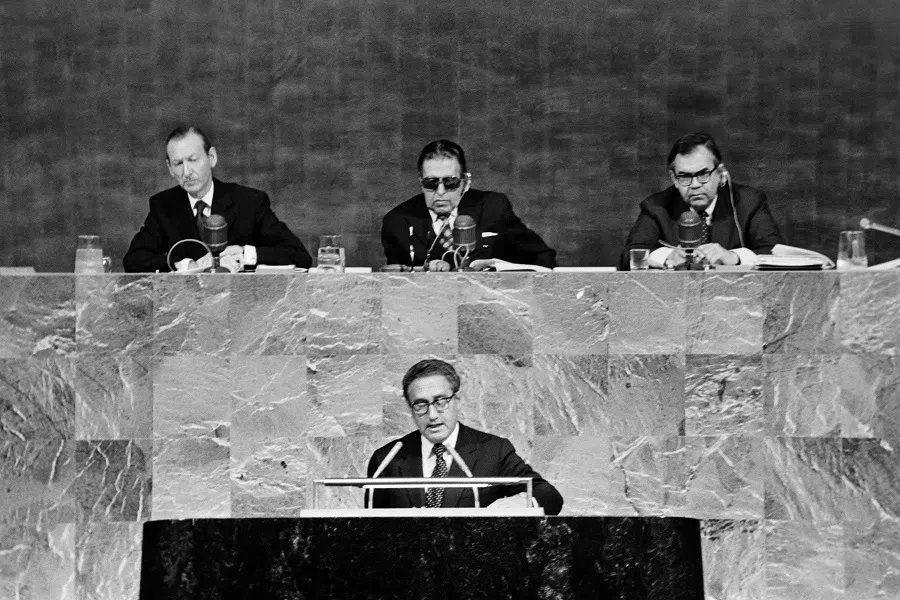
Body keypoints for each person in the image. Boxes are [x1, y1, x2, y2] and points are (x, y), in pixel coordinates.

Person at [366, 359, 564, 515]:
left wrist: (512, 506)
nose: (432, 414)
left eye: (441, 401)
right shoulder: (386, 459)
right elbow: (370, 532)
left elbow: (548, 495)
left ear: (457, 400)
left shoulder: (493, 451)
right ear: (410, 408)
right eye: (420, 405)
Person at [123, 126, 311, 273]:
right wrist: (188, 264)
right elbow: (134, 260)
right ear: (170, 168)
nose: (186, 172)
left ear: (211, 157)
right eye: (178, 164)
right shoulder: (163, 206)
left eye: (193, 160)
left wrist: (243, 253)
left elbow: (299, 256)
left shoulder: (248, 202)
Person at [381, 140, 557, 270]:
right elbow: (395, 281)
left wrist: (496, 268)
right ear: (421, 181)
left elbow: (543, 259)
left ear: (465, 182)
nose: (440, 191)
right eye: (431, 183)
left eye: (450, 182)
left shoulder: (493, 208)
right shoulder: (397, 222)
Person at [620, 132, 784, 270]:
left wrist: (734, 257)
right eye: (684, 176)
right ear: (674, 178)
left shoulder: (748, 203)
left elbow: (774, 253)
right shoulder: (657, 207)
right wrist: (667, 256)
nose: (695, 185)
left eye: (703, 174)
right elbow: (629, 256)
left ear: (720, 173)